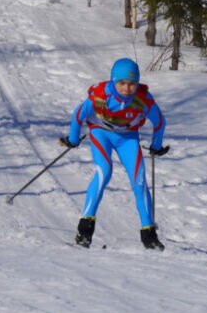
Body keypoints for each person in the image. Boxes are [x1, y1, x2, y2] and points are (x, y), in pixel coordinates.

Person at [61, 58, 170, 250]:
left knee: (139, 180)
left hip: (127, 137)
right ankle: (85, 229)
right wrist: (73, 139)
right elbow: (79, 115)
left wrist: (156, 145)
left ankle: (149, 235)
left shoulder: (143, 100)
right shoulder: (101, 95)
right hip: (100, 132)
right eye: (121, 83)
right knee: (104, 171)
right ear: (113, 81)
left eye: (131, 84)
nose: (126, 89)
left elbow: (159, 122)